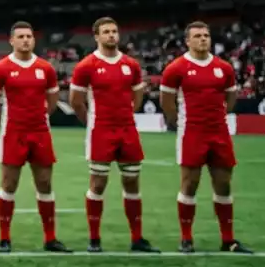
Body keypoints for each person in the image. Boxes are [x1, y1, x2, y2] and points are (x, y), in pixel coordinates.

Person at [159, 21, 252, 254]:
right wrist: (178, 122)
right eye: (198, 36)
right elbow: (167, 103)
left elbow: (230, 99)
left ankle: (228, 239)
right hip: (192, 132)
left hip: (219, 132)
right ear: (187, 41)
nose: (203, 39)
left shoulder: (224, 68)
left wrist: (219, 117)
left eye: (206, 35)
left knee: (223, 184)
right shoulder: (176, 68)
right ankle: (186, 238)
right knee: (189, 184)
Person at [68, 17, 159, 253]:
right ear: (96, 36)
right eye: (106, 32)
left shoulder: (131, 65)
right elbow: (75, 101)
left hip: (127, 130)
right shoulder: (86, 65)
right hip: (101, 131)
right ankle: (94, 239)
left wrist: (129, 113)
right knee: (98, 184)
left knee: (131, 182)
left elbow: (138, 95)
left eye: (114, 31)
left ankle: (137, 238)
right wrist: (92, 122)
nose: (111, 35)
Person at [0, 22, 71, 253]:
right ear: (11, 41)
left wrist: (40, 117)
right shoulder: (1, 68)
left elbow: (52, 100)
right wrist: (3, 121)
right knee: (9, 184)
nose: (25, 40)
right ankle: (4, 238)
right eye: (20, 36)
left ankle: (50, 238)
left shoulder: (46, 68)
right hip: (13, 132)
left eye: (29, 36)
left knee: (44, 183)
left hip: (40, 131)